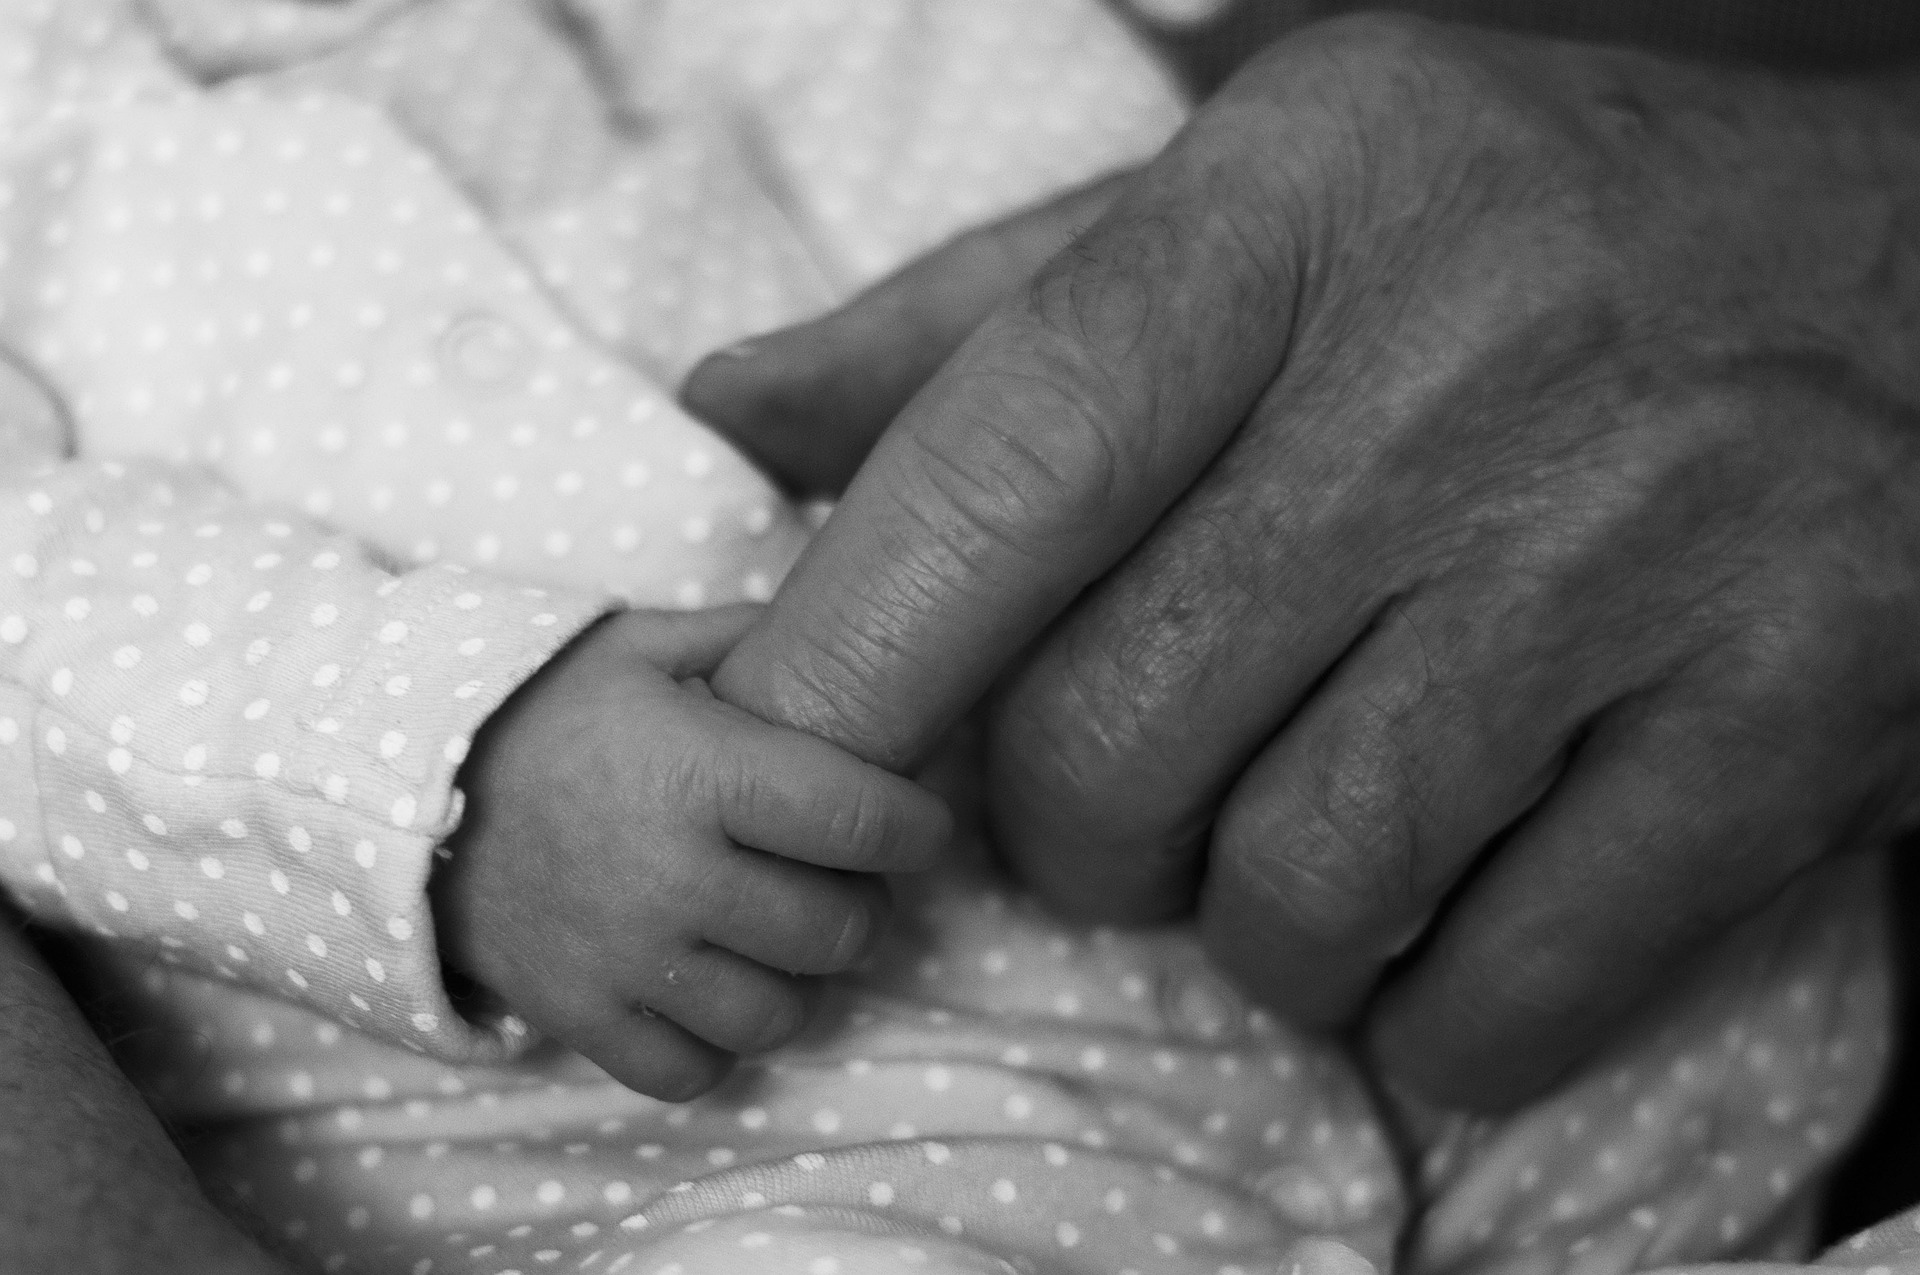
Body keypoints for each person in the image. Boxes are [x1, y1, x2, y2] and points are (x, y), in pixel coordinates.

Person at [0, 1, 1911, 1272]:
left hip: (1341, 917)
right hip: (786, 1128)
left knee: (1737, 940)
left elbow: (1010, 91)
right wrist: (452, 774)